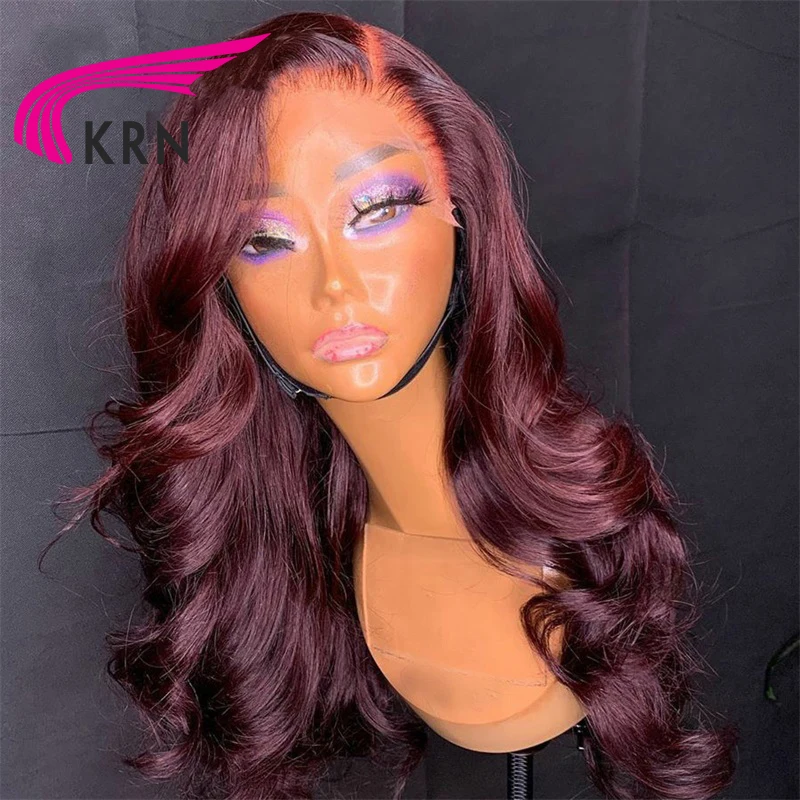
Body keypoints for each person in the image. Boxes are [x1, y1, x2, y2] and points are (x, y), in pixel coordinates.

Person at [54, 11, 736, 799]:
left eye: (376, 209)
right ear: (223, 293)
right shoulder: (309, 553)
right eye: (265, 240)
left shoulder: (563, 561)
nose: (335, 286)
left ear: (462, 217)